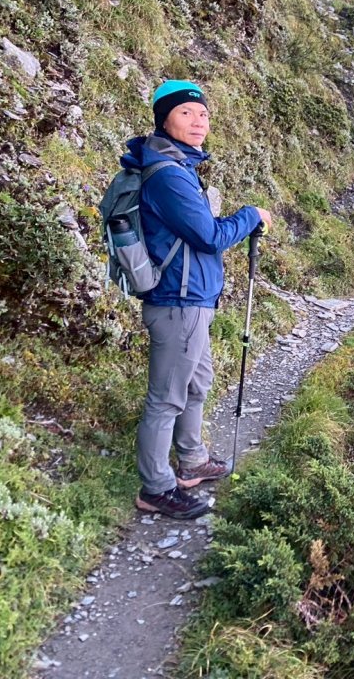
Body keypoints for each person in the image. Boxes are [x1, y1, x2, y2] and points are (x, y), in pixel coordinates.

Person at [123, 80, 272, 520]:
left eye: (204, 113)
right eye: (187, 112)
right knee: (166, 397)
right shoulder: (168, 175)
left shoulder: (179, 167)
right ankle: (156, 487)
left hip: (193, 301)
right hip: (178, 301)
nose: (199, 120)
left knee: (196, 383)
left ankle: (191, 461)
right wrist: (250, 215)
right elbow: (208, 236)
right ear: (164, 118)